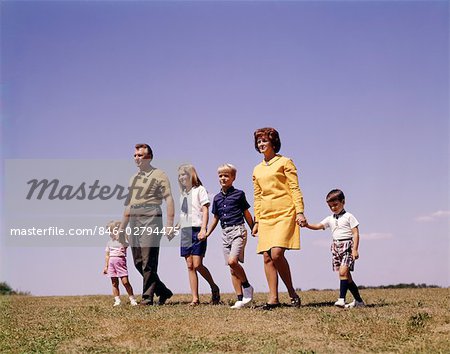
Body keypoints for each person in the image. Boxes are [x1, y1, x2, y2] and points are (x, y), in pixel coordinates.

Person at [252, 127, 306, 309]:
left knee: (276, 253)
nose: (261, 144)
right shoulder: (257, 169)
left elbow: (294, 188)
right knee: (267, 257)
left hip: (285, 212)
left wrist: (300, 211)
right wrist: (257, 220)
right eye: (259, 141)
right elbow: (257, 196)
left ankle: (292, 293)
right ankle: (273, 300)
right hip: (266, 216)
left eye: (264, 141)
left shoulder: (285, 162)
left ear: (273, 142)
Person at [120, 144, 174, 306]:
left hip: (152, 216)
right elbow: (129, 204)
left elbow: (169, 198)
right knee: (138, 261)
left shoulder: (159, 174)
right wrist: (122, 229)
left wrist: (169, 223)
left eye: (140, 155)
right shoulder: (133, 178)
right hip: (134, 218)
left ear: (149, 157)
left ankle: (147, 297)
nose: (136, 158)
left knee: (148, 259)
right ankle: (163, 291)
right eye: (135, 155)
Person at [304, 189, 365, 308]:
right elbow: (318, 226)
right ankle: (359, 301)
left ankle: (341, 299)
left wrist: (355, 249)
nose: (333, 208)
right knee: (346, 277)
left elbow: (356, 233)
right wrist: (307, 225)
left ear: (343, 202)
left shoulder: (349, 217)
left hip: (347, 246)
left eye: (335, 205)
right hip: (336, 247)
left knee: (343, 272)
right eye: (330, 206)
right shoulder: (330, 219)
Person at [206, 164, 255, 309]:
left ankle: (247, 286)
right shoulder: (217, 198)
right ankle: (240, 299)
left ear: (233, 178)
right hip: (225, 233)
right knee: (231, 268)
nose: (223, 178)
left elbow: (246, 213)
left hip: (238, 230)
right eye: (221, 176)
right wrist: (207, 233)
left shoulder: (239, 194)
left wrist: (253, 228)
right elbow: (215, 218)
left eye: (226, 175)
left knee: (233, 261)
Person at [177, 164, 220, 306]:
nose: (182, 177)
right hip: (185, 232)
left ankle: (214, 287)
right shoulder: (183, 194)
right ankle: (195, 298)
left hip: (197, 230)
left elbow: (205, 210)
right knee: (189, 265)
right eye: (180, 175)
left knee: (198, 264)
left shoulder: (200, 190)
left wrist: (203, 229)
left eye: (184, 174)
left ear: (191, 175)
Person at [102, 220, 138, 307]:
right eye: (109, 232)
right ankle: (117, 300)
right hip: (111, 264)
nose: (110, 233)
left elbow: (129, 239)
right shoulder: (109, 243)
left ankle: (132, 299)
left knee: (125, 282)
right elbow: (107, 255)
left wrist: (122, 231)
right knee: (114, 283)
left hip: (121, 264)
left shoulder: (123, 242)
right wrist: (106, 266)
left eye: (112, 231)